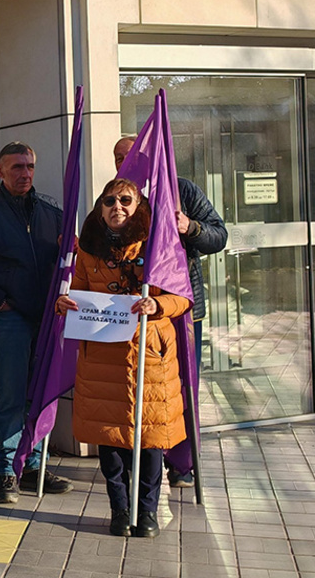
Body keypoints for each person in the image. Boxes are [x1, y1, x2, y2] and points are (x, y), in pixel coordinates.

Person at [56, 178, 190, 538]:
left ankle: (146, 512)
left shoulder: (159, 245)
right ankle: (119, 509)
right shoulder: (88, 248)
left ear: (138, 206)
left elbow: (182, 297)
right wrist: (63, 303)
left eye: (126, 200)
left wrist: (158, 304)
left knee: (150, 441)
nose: (117, 206)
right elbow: (78, 295)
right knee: (109, 440)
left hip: (148, 356)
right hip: (102, 358)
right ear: (100, 208)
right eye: (109, 200)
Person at [0, 141, 73, 504]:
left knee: (39, 395)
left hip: (48, 317)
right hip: (11, 318)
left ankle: (35, 465)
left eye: (29, 166)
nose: (24, 174)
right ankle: (8, 470)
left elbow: (65, 258)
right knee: (10, 395)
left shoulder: (52, 211)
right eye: (16, 168)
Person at [113, 136, 227, 488]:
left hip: (181, 311)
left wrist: (188, 227)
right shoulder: (117, 198)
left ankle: (181, 464)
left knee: (181, 388)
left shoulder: (182, 191)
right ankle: (144, 460)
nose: (125, 163)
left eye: (130, 156)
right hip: (136, 310)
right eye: (119, 158)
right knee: (141, 387)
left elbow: (219, 236)